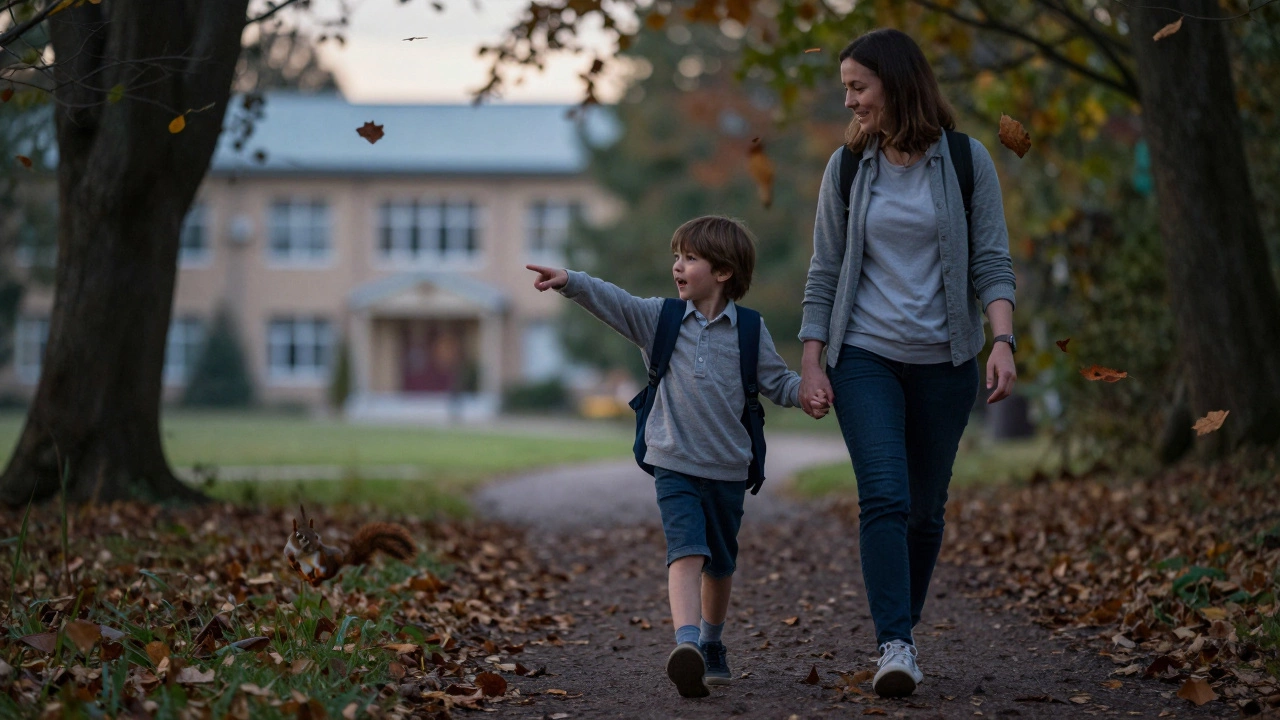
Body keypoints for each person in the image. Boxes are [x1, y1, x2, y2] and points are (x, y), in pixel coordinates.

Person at [797, 28, 1018, 698]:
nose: (850, 101)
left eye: (858, 87)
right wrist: (812, 358)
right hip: (864, 356)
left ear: (896, 83)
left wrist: (1003, 340)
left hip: (946, 360)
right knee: (886, 496)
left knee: (924, 510)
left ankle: (904, 631)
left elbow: (991, 260)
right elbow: (824, 270)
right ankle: (894, 644)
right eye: (846, 88)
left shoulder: (964, 160)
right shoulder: (847, 168)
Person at [528, 215, 828, 698]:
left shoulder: (750, 330)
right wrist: (571, 282)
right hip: (674, 464)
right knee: (686, 550)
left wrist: (807, 395)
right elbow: (614, 302)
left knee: (721, 564)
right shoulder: (660, 318)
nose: (678, 266)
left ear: (724, 271)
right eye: (676, 256)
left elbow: (778, 382)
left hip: (730, 468)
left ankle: (711, 642)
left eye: (690, 258)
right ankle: (686, 645)